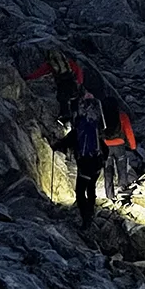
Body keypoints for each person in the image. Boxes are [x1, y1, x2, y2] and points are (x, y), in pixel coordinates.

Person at [52, 90, 106, 229]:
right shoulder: (95, 128)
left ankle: (86, 219)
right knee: (91, 187)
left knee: (80, 192)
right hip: (97, 163)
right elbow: (105, 148)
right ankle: (91, 211)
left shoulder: (79, 129)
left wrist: (55, 146)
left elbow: (65, 143)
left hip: (85, 164)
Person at [27, 49, 84, 126]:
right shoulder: (67, 61)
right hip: (71, 81)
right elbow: (78, 70)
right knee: (74, 97)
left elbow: (39, 72)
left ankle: (65, 118)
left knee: (62, 99)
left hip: (61, 84)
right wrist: (79, 82)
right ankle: (76, 116)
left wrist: (28, 78)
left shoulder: (50, 64)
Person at [101, 96, 137, 203]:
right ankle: (122, 191)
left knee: (108, 170)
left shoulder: (102, 116)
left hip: (105, 146)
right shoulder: (122, 116)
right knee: (122, 169)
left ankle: (109, 195)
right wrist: (133, 146)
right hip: (119, 145)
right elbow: (128, 131)